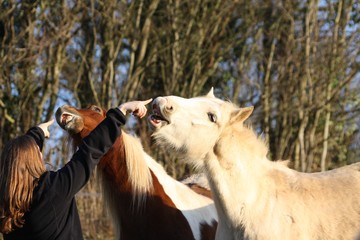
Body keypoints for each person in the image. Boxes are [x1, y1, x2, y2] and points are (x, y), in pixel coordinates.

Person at [0, 99, 152, 240]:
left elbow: (17, 162)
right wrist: (121, 111)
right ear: (32, 160)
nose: (41, 153)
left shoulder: (6, 207)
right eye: (37, 152)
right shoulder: (53, 189)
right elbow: (90, 150)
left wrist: (36, 134)